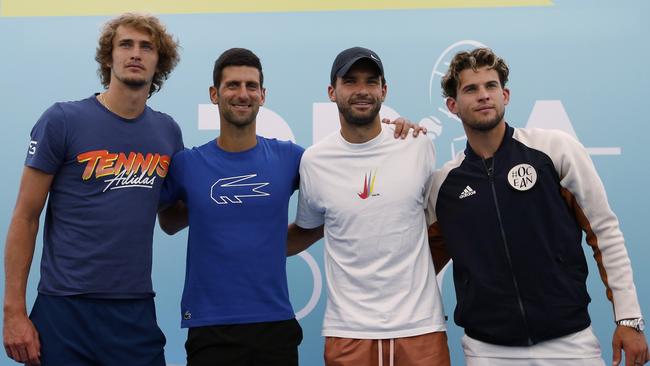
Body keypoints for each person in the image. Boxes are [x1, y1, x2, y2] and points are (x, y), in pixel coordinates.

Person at [157, 47, 422, 366]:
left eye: (251, 86)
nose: (243, 94)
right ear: (214, 94)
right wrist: (209, 203)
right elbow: (168, 223)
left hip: (275, 325)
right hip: (209, 326)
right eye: (232, 85)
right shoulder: (188, 164)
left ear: (263, 95)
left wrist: (396, 134)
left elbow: (345, 181)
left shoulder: (292, 159)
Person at [427, 47, 649, 366]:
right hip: (488, 351)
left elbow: (605, 233)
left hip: (570, 343)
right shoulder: (444, 185)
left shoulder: (554, 150)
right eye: (471, 89)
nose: (483, 95)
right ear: (452, 105)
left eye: (491, 86)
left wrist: (628, 319)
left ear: (505, 95)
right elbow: (419, 269)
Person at [3, 13, 182, 366]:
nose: (135, 53)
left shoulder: (167, 133)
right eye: (125, 44)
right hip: (64, 308)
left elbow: (171, 218)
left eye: (147, 47)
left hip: (134, 310)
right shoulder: (62, 120)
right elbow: (25, 217)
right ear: (108, 56)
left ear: (158, 61)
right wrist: (13, 312)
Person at [288, 46, 450, 366]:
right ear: (332, 92)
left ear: (384, 90)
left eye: (371, 82)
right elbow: (309, 228)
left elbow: (436, 223)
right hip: (348, 331)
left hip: (420, 328)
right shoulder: (315, 161)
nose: (362, 90)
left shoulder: (418, 144)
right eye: (350, 81)